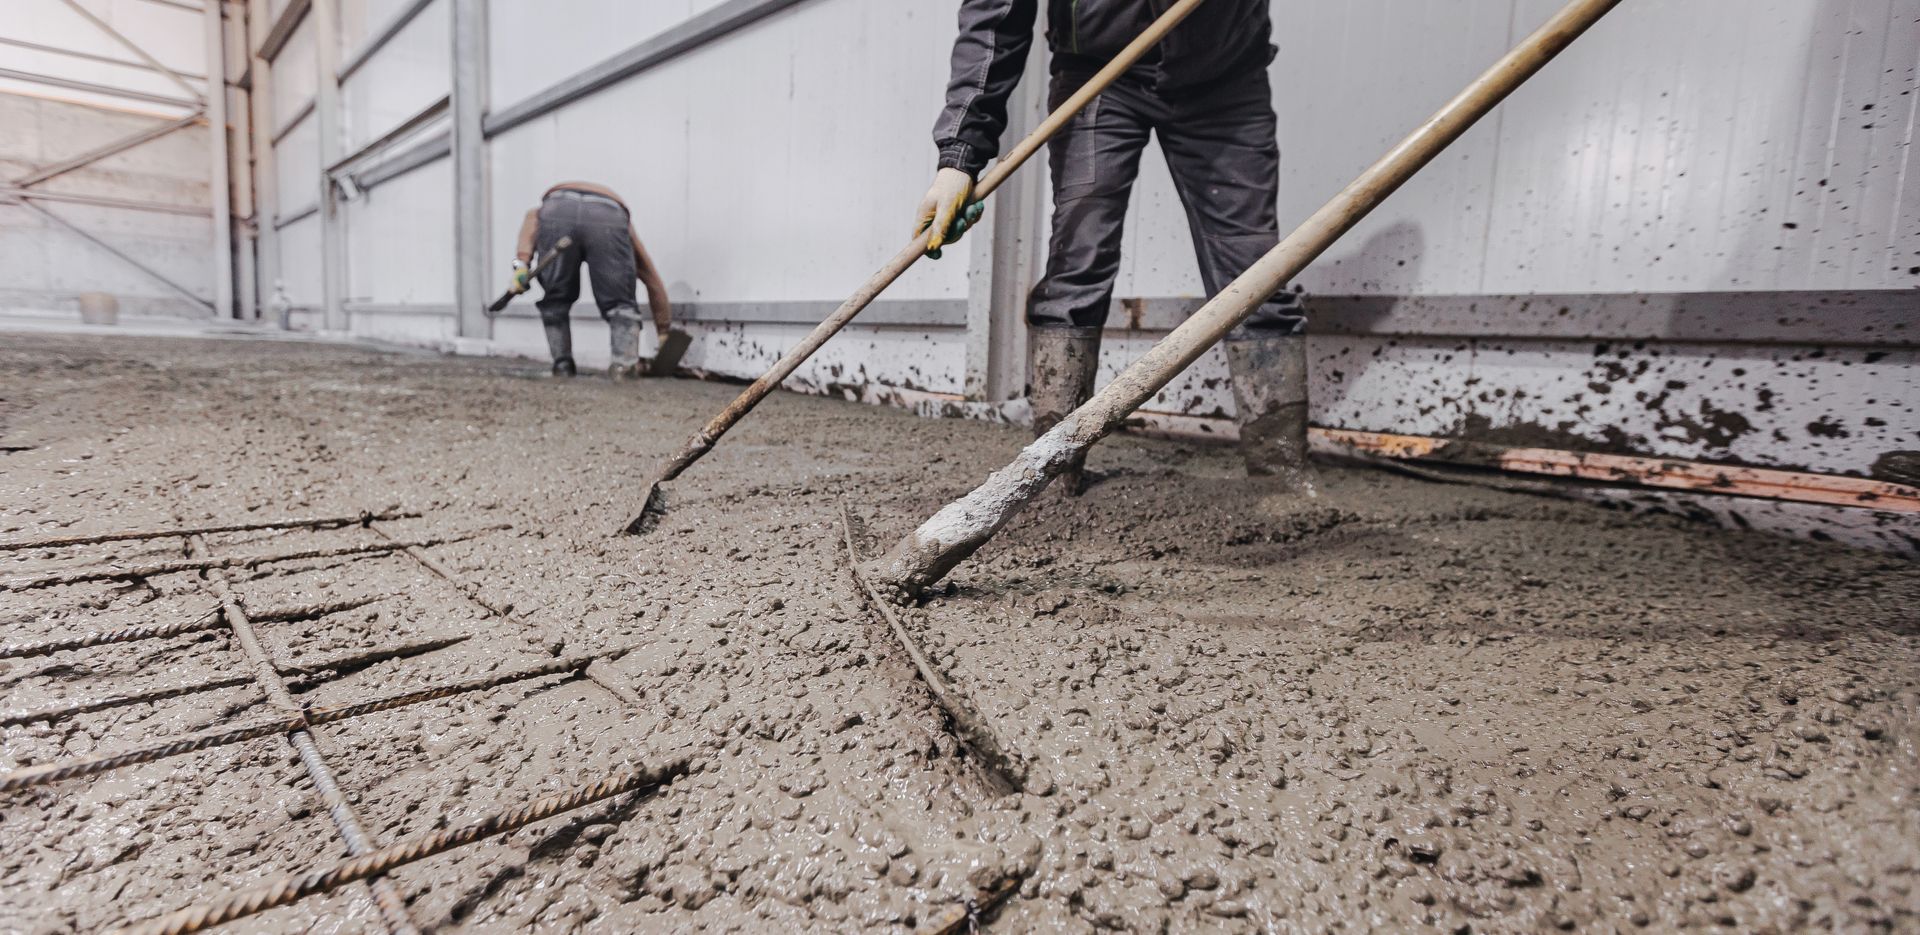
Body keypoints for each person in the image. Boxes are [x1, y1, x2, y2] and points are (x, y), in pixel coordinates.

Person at [915, 0, 1314, 495]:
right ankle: (1053, 476)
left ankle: (1284, 483)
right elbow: (995, 18)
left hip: (1225, 75)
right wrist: (959, 159)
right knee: (1077, 263)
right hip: (1097, 74)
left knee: (1257, 277)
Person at [508, 182, 673, 379]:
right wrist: (664, 330)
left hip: (557, 211)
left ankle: (562, 365)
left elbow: (531, 220)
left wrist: (521, 264)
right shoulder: (622, 222)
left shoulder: (539, 211)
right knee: (620, 304)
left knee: (556, 297)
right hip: (607, 216)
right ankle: (623, 367)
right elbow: (650, 277)